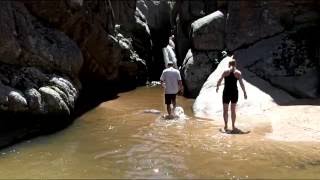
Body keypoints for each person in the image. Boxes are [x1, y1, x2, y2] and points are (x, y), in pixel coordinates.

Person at [216, 55, 247, 132]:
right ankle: (233, 126)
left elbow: (220, 80)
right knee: (233, 110)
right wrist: (244, 92)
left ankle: (226, 125)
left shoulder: (226, 72)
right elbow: (241, 84)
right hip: (234, 93)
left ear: (229, 64)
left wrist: (217, 87)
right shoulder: (238, 73)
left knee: (225, 110)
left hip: (226, 92)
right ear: (235, 65)